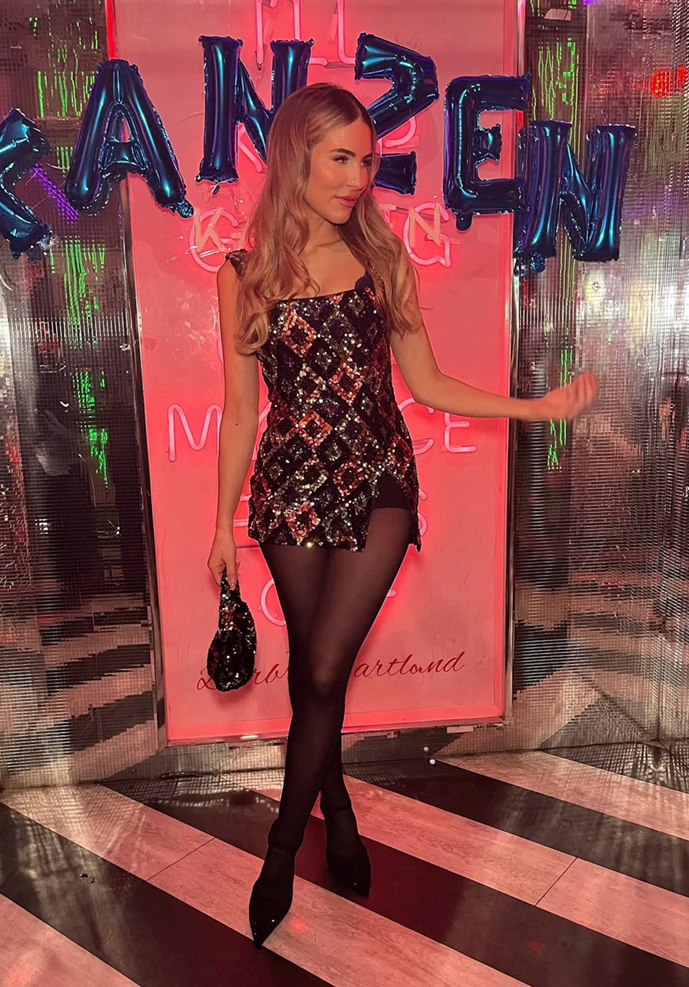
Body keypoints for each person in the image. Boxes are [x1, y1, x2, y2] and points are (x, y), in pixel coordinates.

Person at [206, 82, 597, 948]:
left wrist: (532, 408)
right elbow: (238, 413)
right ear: (295, 158)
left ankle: (280, 852)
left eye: (367, 160)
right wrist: (218, 527)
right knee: (314, 675)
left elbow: (427, 383)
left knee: (319, 673)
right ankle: (337, 803)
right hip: (288, 490)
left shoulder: (382, 261)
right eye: (340, 158)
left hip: (379, 478)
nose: (358, 177)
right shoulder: (242, 275)